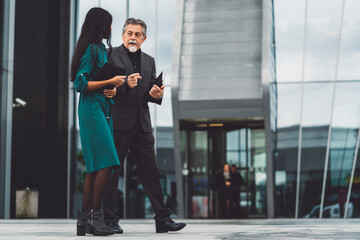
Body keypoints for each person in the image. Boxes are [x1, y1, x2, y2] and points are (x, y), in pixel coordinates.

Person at [102, 18, 186, 234]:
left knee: (151, 173)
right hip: (119, 124)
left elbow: (149, 92)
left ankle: (163, 220)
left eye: (137, 34)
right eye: (129, 33)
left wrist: (156, 94)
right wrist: (124, 86)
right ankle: (110, 220)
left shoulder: (149, 60)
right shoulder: (111, 54)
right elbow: (107, 89)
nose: (133, 37)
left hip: (142, 126)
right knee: (112, 173)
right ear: (122, 35)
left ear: (144, 38)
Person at [70, 7, 125, 236]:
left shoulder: (101, 49)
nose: (111, 28)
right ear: (100, 25)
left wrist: (111, 89)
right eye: (108, 24)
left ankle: (84, 220)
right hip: (92, 109)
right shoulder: (92, 49)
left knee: (95, 166)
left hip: (101, 107)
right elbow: (80, 84)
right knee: (108, 161)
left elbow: (98, 81)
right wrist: (110, 80)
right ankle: (95, 217)